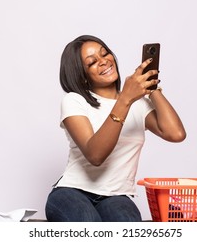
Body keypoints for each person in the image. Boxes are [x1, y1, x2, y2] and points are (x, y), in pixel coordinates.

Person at [45, 35, 186, 222]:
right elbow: (95, 155)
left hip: (116, 196)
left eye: (105, 54)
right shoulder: (74, 101)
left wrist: (151, 88)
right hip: (72, 192)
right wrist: (125, 99)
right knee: (89, 223)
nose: (104, 62)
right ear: (82, 75)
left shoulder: (138, 104)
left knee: (127, 227)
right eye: (92, 62)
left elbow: (176, 134)